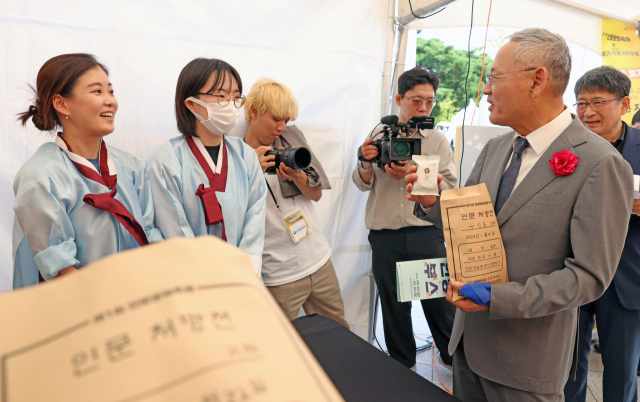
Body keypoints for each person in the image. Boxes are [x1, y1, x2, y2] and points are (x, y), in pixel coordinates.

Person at [408, 28, 634, 401]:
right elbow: (473, 217)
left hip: (525, 365)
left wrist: (499, 298)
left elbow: (588, 278)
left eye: (494, 77)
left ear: (537, 80)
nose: (485, 90)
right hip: (467, 347)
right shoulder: (499, 147)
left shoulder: (601, 163)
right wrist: (435, 201)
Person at [13, 53, 162, 288]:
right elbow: (60, 266)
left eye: (111, 91)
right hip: (79, 312)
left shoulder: (130, 166)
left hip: (137, 303)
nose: (110, 101)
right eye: (97, 91)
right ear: (61, 104)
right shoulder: (40, 177)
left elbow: (149, 232)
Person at [352, 67, 457, 370]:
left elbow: (449, 186)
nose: (423, 107)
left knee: (439, 306)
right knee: (394, 309)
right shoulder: (378, 133)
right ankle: (402, 368)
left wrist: (415, 173)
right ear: (399, 98)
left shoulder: (436, 139)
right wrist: (364, 161)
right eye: (416, 101)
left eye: (430, 101)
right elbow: (362, 183)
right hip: (386, 235)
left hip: (425, 234)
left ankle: (453, 362)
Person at [243, 78, 349, 328]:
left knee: (339, 336)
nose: (281, 127)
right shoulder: (235, 154)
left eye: (286, 120)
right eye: (276, 118)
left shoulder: (291, 137)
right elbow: (231, 214)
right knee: (284, 349)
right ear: (254, 110)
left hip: (318, 259)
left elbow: (316, 194)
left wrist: (301, 178)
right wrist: (250, 171)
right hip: (278, 274)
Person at [146, 58, 267, 276]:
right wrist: (207, 276)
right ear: (191, 103)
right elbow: (174, 229)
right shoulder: (165, 161)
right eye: (221, 96)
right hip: (194, 281)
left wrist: (245, 271)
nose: (230, 104)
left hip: (243, 279)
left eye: (236, 96)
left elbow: (256, 216)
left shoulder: (245, 155)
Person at [563, 66, 640, 402]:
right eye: (581, 103)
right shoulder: (567, 146)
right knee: (569, 367)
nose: (587, 112)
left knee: (622, 369)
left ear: (623, 104)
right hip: (571, 270)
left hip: (627, 276)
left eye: (597, 102)